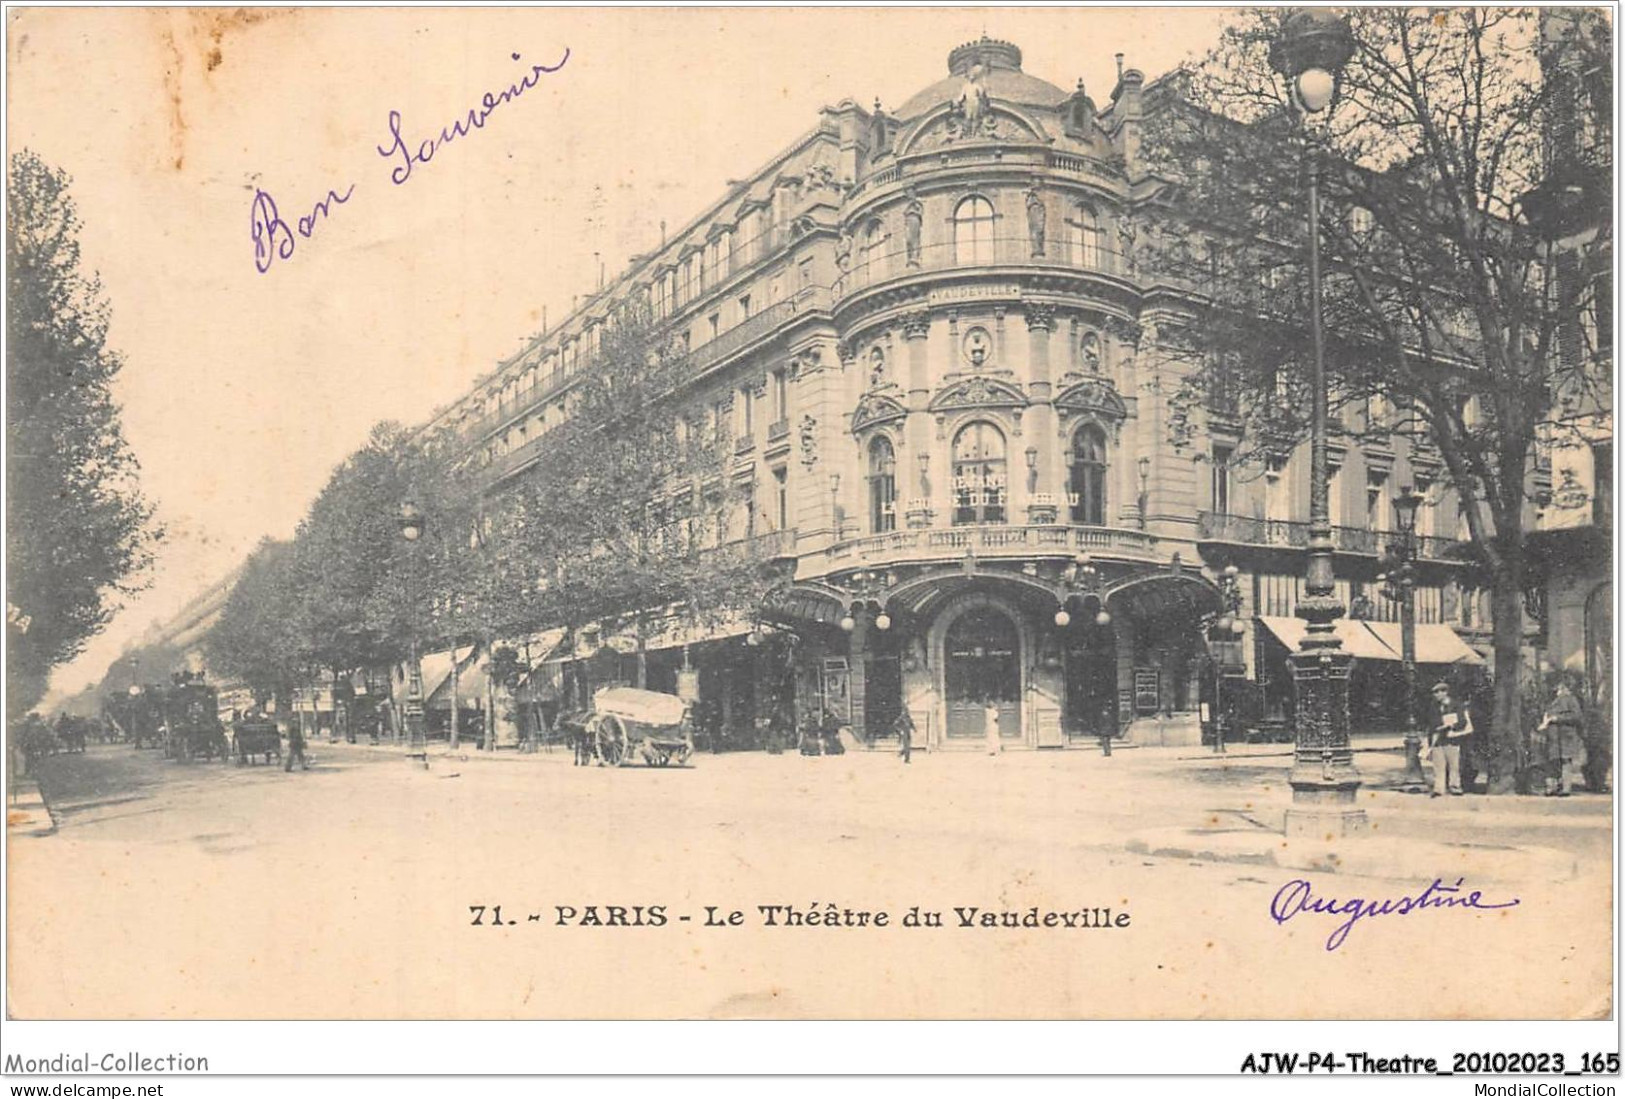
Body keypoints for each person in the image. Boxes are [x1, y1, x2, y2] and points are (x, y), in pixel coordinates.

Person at [1537, 681, 1586, 797]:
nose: (1556, 690)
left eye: (1559, 687)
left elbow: (1577, 717)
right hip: (1553, 736)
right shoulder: (1551, 701)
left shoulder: (1571, 699)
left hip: (1565, 736)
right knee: (1552, 761)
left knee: (1565, 761)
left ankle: (1565, 788)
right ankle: (1552, 788)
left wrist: (1557, 718)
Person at [1427, 681, 1471, 797]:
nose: (1436, 695)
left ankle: (1455, 786)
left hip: (1452, 739)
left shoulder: (1457, 705)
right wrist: (1430, 743)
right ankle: (1439, 789)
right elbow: (1430, 725)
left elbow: (1463, 722)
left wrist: (1450, 726)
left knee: (1454, 765)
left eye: (1438, 692)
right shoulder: (1434, 707)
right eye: (1435, 692)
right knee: (1438, 765)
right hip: (1438, 739)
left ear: (1445, 692)